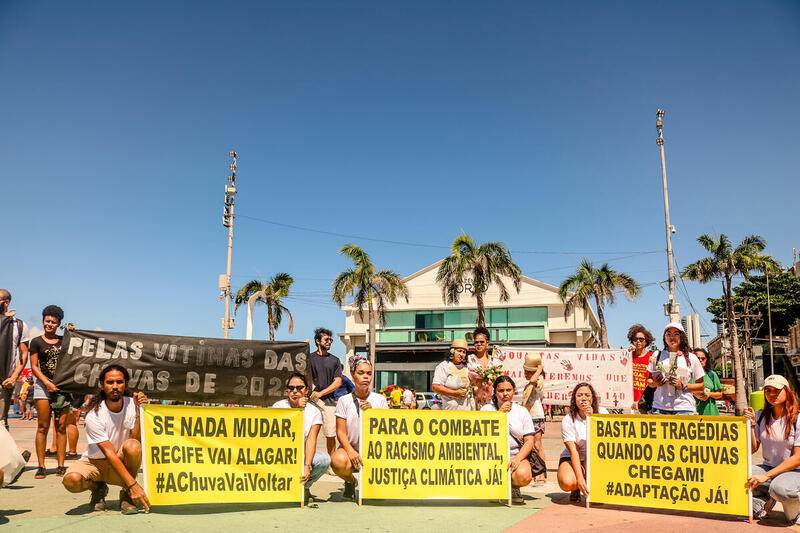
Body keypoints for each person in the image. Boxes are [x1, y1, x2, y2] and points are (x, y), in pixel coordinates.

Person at [62, 365, 149, 514]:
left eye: (119, 382)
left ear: (126, 384)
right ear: (102, 385)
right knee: (71, 481)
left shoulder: (132, 404)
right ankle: (98, 487)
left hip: (121, 461)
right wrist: (134, 484)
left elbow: (136, 441)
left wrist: (139, 410)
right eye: (110, 382)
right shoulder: (94, 415)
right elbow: (109, 453)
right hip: (95, 463)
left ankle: (126, 494)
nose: (115, 386)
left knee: (133, 446)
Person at [330, 354, 389, 501]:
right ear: (353, 375)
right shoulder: (344, 401)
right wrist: (350, 451)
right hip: (351, 447)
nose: (365, 377)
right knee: (337, 460)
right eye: (361, 373)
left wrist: (373, 413)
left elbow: (386, 429)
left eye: (369, 373)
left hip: (374, 448)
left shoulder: (380, 400)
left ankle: (374, 486)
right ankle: (350, 481)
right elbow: (340, 431)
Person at [745, 375, 800, 524]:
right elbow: (752, 450)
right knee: (739, 475)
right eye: (768, 391)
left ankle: (796, 510)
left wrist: (766, 476)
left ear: (787, 391)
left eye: (776, 390)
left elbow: (797, 459)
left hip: (795, 471)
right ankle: (763, 502)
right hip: (769, 468)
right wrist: (750, 425)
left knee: (780, 489)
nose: (771, 394)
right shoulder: (760, 416)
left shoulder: (797, 418)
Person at [273, 372, 330, 504]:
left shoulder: (314, 412)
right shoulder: (278, 407)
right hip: (281, 455)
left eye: (299, 388)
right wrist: (297, 411)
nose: (295, 391)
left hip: (301, 455)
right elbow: (280, 435)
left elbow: (311, 440)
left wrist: (307, 465)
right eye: (291, 388)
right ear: (287, 390)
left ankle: (305, 487)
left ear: (306, 390)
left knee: (324, 459)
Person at [29, 305, 71, 478]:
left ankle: (61, 465)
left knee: (61, 427)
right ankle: (41, 466)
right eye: (47, 321)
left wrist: (71, 332)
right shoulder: (36, 342)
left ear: (59, 323)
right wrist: (46, 383)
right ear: (43, 321)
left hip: (63, 386)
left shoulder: (65, 341)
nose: (50, 324)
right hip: (42, 386)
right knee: (42, 426)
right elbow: (33, 366)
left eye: (53, 322)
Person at [481, 375, 534, 504]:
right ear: (495, 392)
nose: (505, 394)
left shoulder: (522, 411)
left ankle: (514, 487)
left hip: (515, 454)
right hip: (491, 456)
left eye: (508, 390)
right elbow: (483, 436)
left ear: (514, 391)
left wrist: (517, 458)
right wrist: (500, 414)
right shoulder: (486, 409)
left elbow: (529, 441)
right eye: (501, 390)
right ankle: (495, 486)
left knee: (524, 475)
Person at [557, 382, 608, 503]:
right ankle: (576, 487)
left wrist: (593, 417)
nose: (583, 398)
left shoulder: (603, 412)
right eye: (579, 395)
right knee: (568, 483)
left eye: (587, 395)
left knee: (589, 461)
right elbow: (574, 451)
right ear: (574, 399)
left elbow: (605, 440)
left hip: (595, 456)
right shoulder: (568, 419)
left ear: (593, 398)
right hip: (573, 457)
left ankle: (594, 487)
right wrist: (579, 479)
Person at [645, 322, 705, 415]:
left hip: (684, 409)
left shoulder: (691, 357)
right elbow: (649, 380)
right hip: (659, 409)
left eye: (676, 334)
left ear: (682, 337)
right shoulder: (657, 355)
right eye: (668, 334)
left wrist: (683, 386)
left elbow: (701, 386)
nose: (672, 337)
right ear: (665, 338)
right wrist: (655, 383)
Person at [308, 328, 343, 457]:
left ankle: (331, 463)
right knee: (309, 433)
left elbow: (338, 382)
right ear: (318, 341)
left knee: (330, 434)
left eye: (330, 340)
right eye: (326, 339)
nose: (329, 342)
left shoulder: (335, 360)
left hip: (328, 403)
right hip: (311, 402)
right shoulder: (309, 358)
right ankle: (307, 462)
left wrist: (320, 393)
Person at [1, 289, 31, 431]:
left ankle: (4, 453)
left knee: (1, 421)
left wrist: (13, 377)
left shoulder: (19, 326)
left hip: (5, 380)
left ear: (6, 302)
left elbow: (24, 354)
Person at [521, 352, 546, 484]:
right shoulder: (528, 385)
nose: (525, 374)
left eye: (528, 371)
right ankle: (534, 471)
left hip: (536, 417)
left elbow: (533, 380)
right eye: (525, 371)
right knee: (528, 445)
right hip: (527, 417)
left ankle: (541, 474)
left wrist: (540, 369)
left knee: (538, 445)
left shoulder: (539, 382)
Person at [432, 339, 474, 410]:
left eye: (464, 352)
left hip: (467, 409)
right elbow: (435, 387)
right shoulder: (444, 366)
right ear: (452, 351)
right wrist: (454, 393)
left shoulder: (467, 367)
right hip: (451, 410)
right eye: (459, 351)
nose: (461, 354)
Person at [468, 327, 504, 410]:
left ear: (487, 343)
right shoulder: (469, 359)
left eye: (482, 342)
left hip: (492, 402)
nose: (479, 344)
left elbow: (500, 380)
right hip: (474, 401)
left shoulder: (495, 361)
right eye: (476, 342)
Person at [626, 324, 654, 413]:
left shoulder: (652, 357)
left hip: (645, 401)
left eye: (641, 339)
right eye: (635, 339)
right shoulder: (628, 356)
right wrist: (625, 354)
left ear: (646, 341)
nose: (638, 341)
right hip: (628, 402)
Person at [692, 348, 722, 416]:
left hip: (711, 414)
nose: (700, 360)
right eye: (697, 358)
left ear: (706, 360)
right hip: (693, 414)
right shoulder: (688, 375)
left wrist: (709, 394)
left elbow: (719, 394)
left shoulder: (712, 374)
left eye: (703, 358)